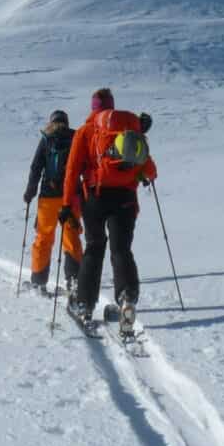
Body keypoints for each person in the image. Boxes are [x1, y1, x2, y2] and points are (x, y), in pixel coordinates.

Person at [60, 89, 156, 332]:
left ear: (93, 108)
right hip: (125, 199)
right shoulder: (129, 131)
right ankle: (127, 299)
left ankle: (84, 304)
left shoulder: (86, 131)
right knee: (121, 249)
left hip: (95, 196)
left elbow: (72, 170)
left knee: (94, 247)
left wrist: (65, 204)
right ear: (112, 107)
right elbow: (150, 170)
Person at [23, 110, 83, 296]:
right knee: (71, 238)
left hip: (48, 198)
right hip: (70, 197)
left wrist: (30, 192)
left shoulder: (47, 138)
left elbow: (36, 167)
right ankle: (73, 281)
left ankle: (39, 281)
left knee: (43, 238)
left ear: (52, 121)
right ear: (66, 122)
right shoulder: (75, 138)